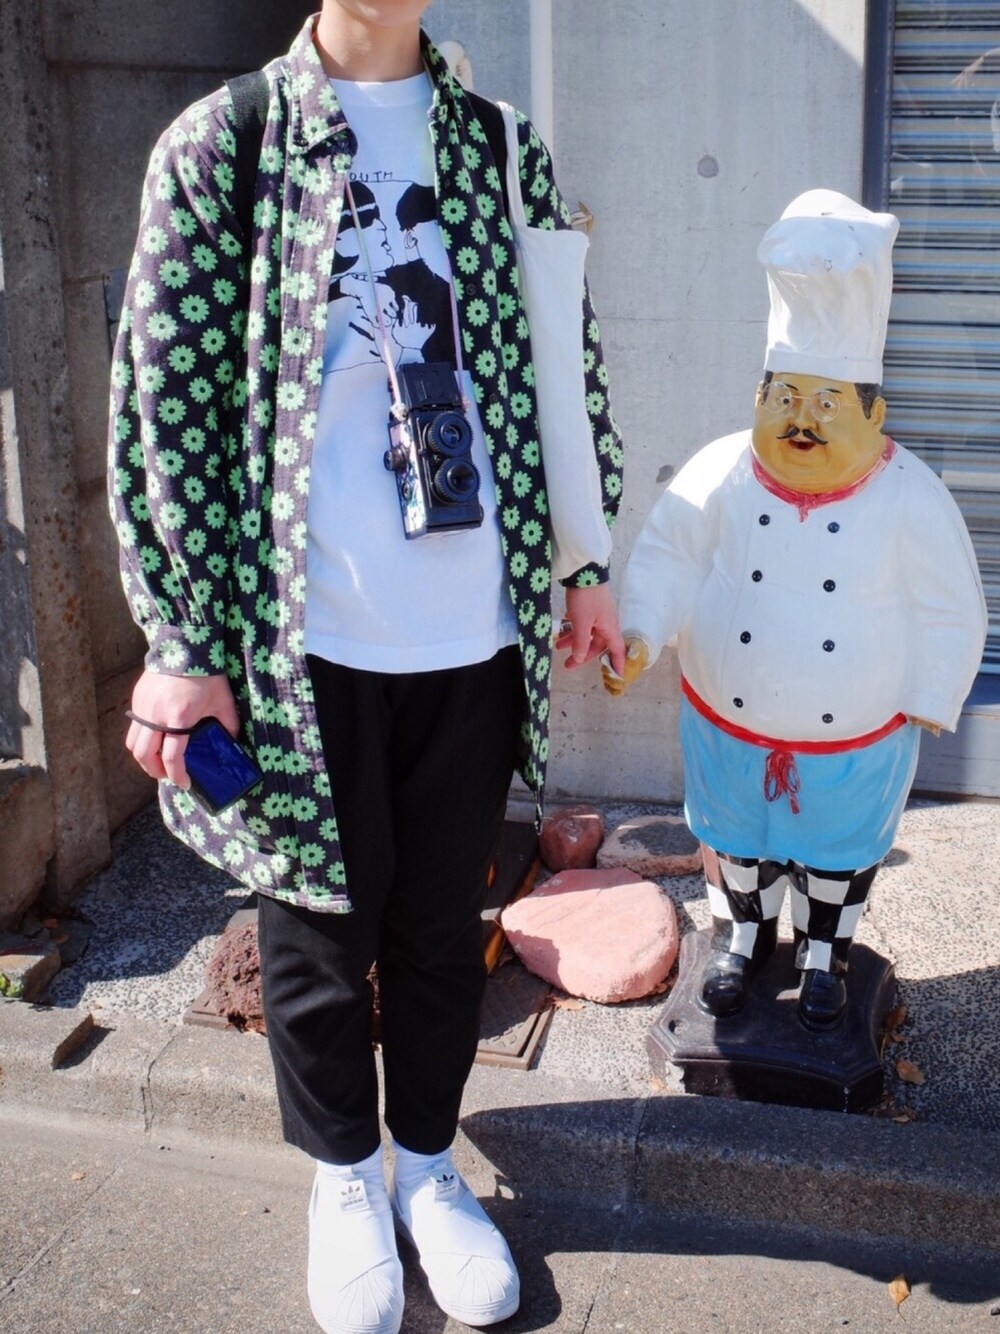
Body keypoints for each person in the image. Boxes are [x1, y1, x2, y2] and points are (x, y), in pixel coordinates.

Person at [108, 3, 625, 1332]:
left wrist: (585, 558)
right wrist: (185, 636)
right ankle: (344, 1178)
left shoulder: (503, 148)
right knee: (318, 930)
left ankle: (430, 1167)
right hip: (305, 636)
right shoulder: (224, 145)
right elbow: (166, 406)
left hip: (473, 624)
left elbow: (566, 359)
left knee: (445, 924)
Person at [603, 190, 986, 1033]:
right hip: (728, 728)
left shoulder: (910, 495)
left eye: (826, 403)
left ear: (874, 414)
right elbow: (671, 555)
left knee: (837, 859)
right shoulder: (720, 470)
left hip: (855, 744)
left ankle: (824, 957)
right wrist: (641, 633)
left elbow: (949, 601)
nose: (801, 421)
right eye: (784, 397)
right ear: (759, 394)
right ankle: (740, 941)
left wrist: (932, 692)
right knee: (738, 847)